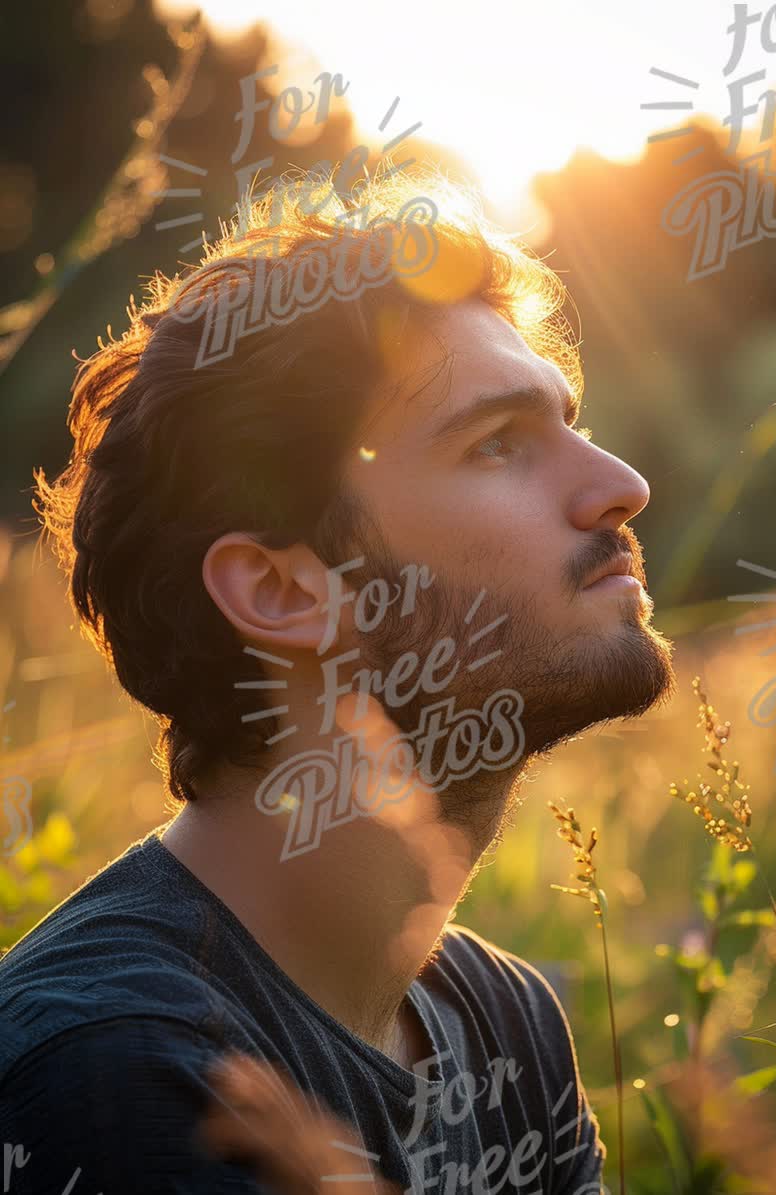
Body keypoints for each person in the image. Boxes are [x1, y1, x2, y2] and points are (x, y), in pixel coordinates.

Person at [0, 163, 676, 1193]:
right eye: (498, 445)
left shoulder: (507, 1026)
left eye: (569, 422)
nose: (621, 485)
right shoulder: (119, 1073)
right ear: (278, 590)